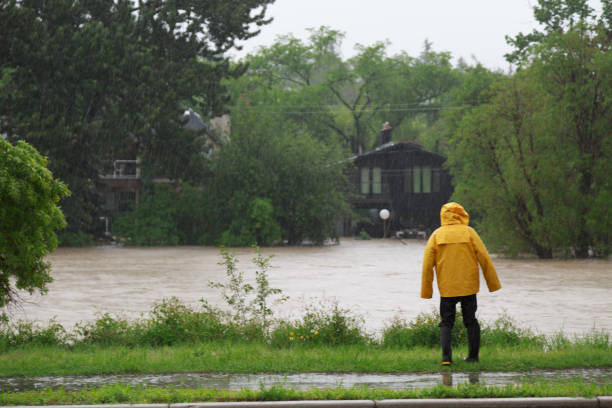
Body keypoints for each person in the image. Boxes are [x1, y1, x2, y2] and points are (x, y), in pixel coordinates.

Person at [421, 202, 501, 365]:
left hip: (447, 288)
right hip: (468, 286)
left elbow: (427, 265)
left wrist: (426, 291)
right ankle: (473, 357)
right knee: (470, 321)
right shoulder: (469, 233)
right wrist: (492, 284)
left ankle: (446, 358)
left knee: (446, 322)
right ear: (461, 214)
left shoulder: (437, 235)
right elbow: (484, 257)